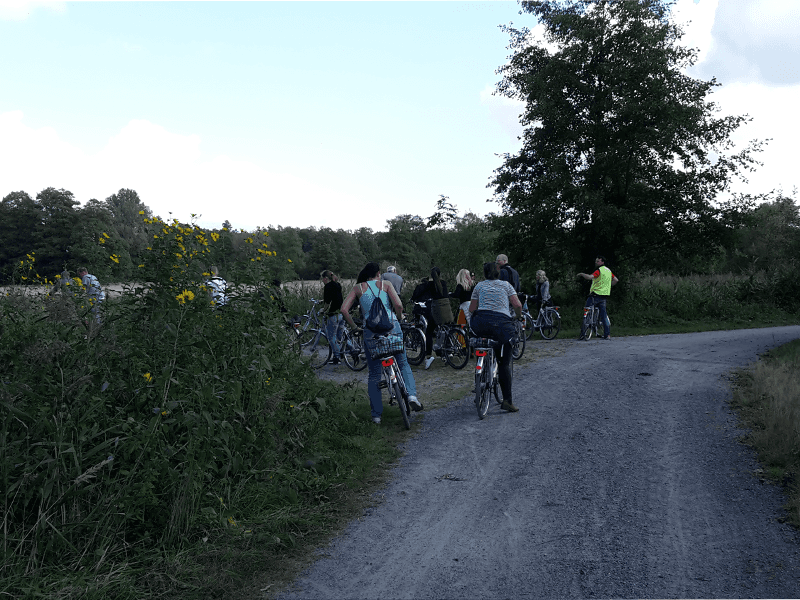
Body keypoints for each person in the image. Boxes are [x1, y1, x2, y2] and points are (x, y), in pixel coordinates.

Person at [341, 262, 423, 424]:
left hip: (370, 332)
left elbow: (344, 310)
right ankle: (412, 396)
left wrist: (355, 327)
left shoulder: (358, 288)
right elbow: (398, 305)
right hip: (392, 327)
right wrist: (398, 318)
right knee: (403, 363)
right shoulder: (386, 284)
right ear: (379, 273)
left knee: (374, 374)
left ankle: (376, 416)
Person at [469, 261, 523, 413]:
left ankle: (480, 384)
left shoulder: (479, 286)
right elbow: (517, 305)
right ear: (498, 272)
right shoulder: (506, 285)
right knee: (504, 364)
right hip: (501, 325)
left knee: (482, 345)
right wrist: (518, 316)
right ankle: (507, 401)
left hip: (481, 323)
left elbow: (472, 308)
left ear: (485, 273)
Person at [411, 267, 450, 370]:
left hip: (437, 310)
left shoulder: (430, 285)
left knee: (429, 331)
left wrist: (413, 298)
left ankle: (428, 356)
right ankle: (446, 353)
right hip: (447, 310)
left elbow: (420, 292)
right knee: (444, 328)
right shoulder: (444, 283)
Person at [577, 255, 619, 340]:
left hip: (595, 295)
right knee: (604, 315)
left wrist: (582, 274)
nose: (596, 262)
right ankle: (607, 335)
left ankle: (583, 334)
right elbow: (616, 280)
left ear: (602, 262)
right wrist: (608, 286)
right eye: (596, 261)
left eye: (598, 261)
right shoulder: (608, 271)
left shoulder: (599, 271)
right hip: (604, 296)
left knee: (587, 313)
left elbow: (590, 277)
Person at [321, 270, 345, 365]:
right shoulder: (337, 284)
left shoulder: (328, 286)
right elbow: (335, 297)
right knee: (340, 337)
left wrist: (323, 310)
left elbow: (327, 301)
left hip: (333, 314)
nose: (322, 281)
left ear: (325, 278)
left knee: (331, 337)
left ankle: (337, 357)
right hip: (341, 314)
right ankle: (352, 350)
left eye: (322, 279)